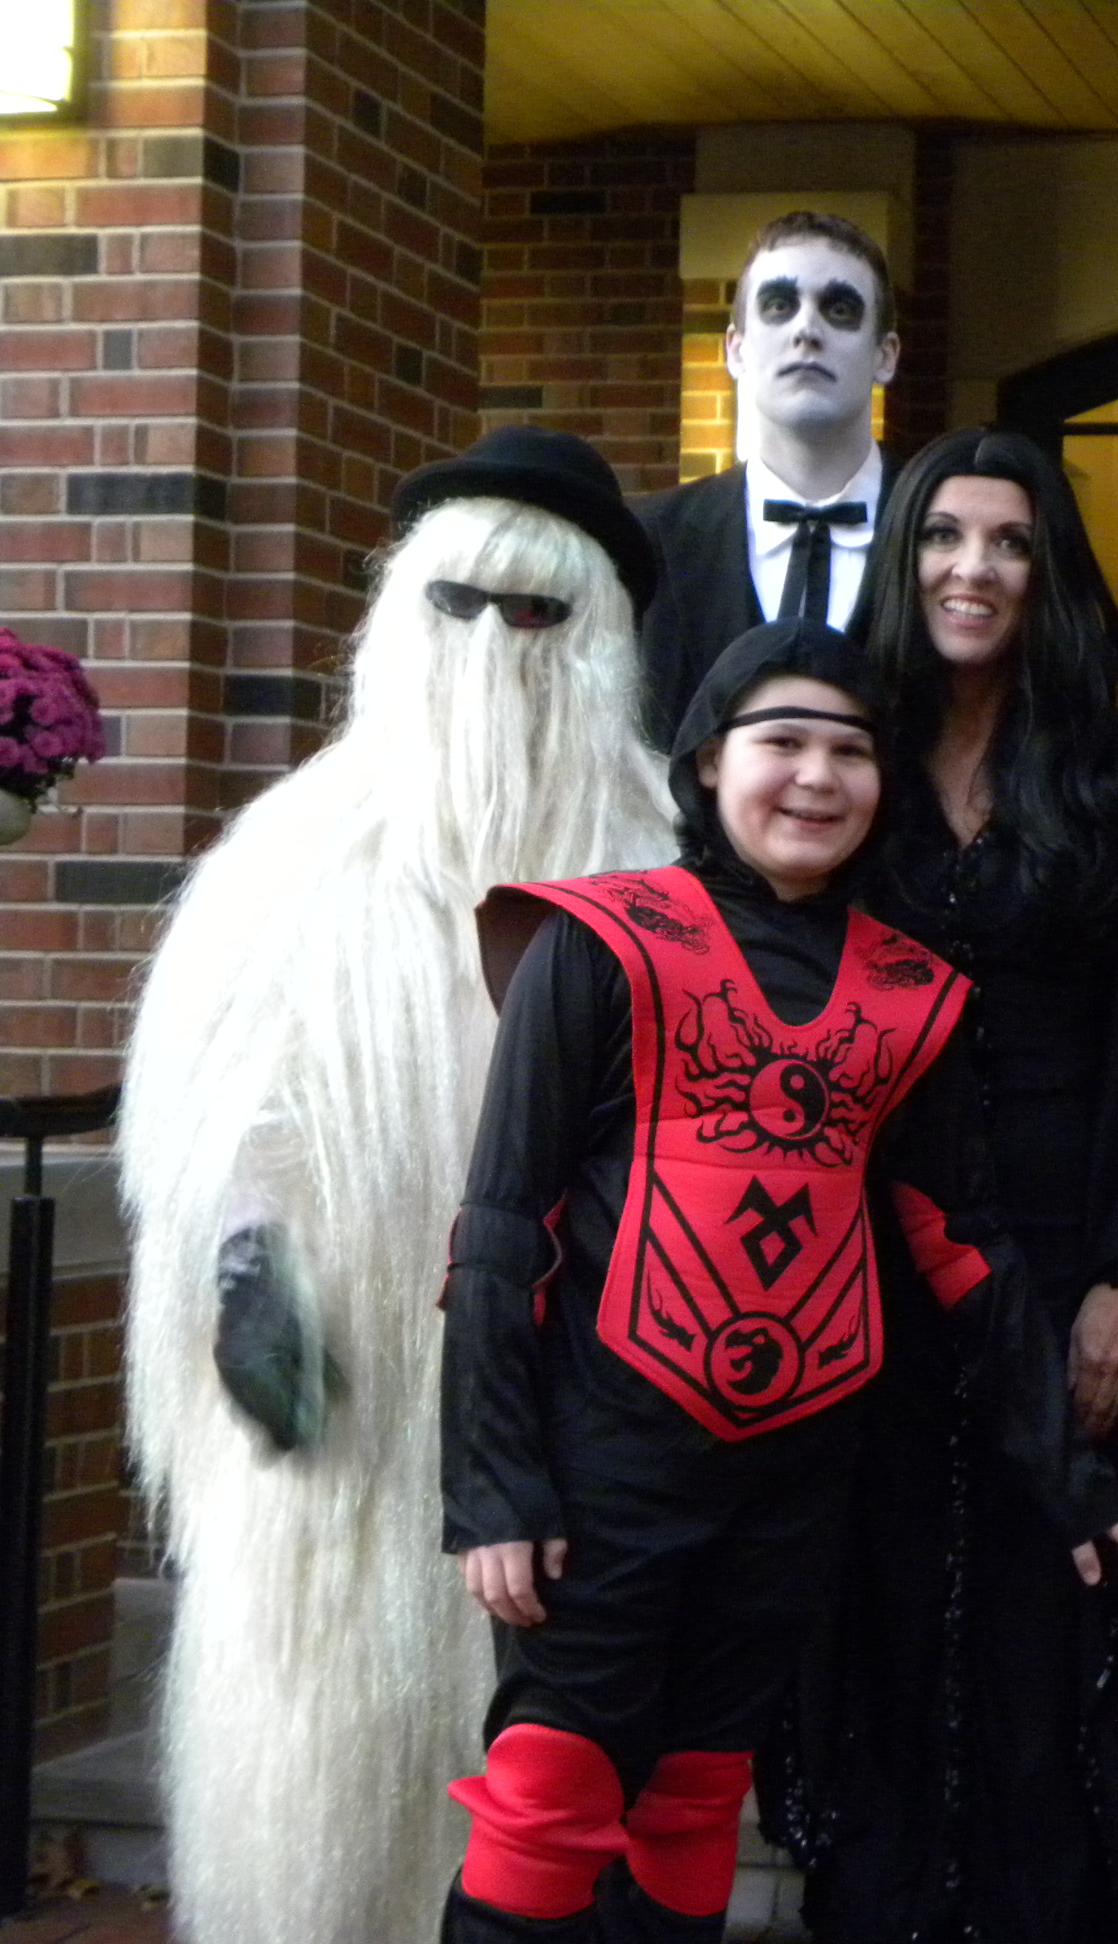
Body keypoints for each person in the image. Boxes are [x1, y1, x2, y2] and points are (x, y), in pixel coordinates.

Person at [438, 618, 1118, 1944]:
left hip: (792, 1480)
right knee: (549, 1799)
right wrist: (494, 1490)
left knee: (694, 1799)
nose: (817, 777)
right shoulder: (601, 939)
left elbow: (963, 1247)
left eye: (852, 750)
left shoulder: (910, 992)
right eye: (782, 741)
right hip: (603, 1470)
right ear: (708, 762)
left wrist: (1072, 1479)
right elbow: (502, 1225)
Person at [118, 427, 675, 1944]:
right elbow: (226, 1113)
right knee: (323, 1753)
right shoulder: (293, 858)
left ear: (602, 642)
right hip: (351, 1413)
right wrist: (250, 1269)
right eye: (459, 606)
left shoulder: (666, 860)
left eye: (539, 615)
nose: (494, 649)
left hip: (583, 1416)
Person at [767, 424, 1118, 1944]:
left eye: (1011, 542)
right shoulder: (853, 756)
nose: (975, 568)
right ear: (904, 560)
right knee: (879, 1606)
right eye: (946, 536)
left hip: (1074, 1238)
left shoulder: (1116, 763)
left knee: (1048, 1616)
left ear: (1048, 573)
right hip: (869, 1254)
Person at [635, 209, 902, 744]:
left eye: (840, 309)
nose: (807, 330)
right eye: (779, 306)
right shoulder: (647, 540)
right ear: (735, 349)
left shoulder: (941, 530)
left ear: (885, 355)